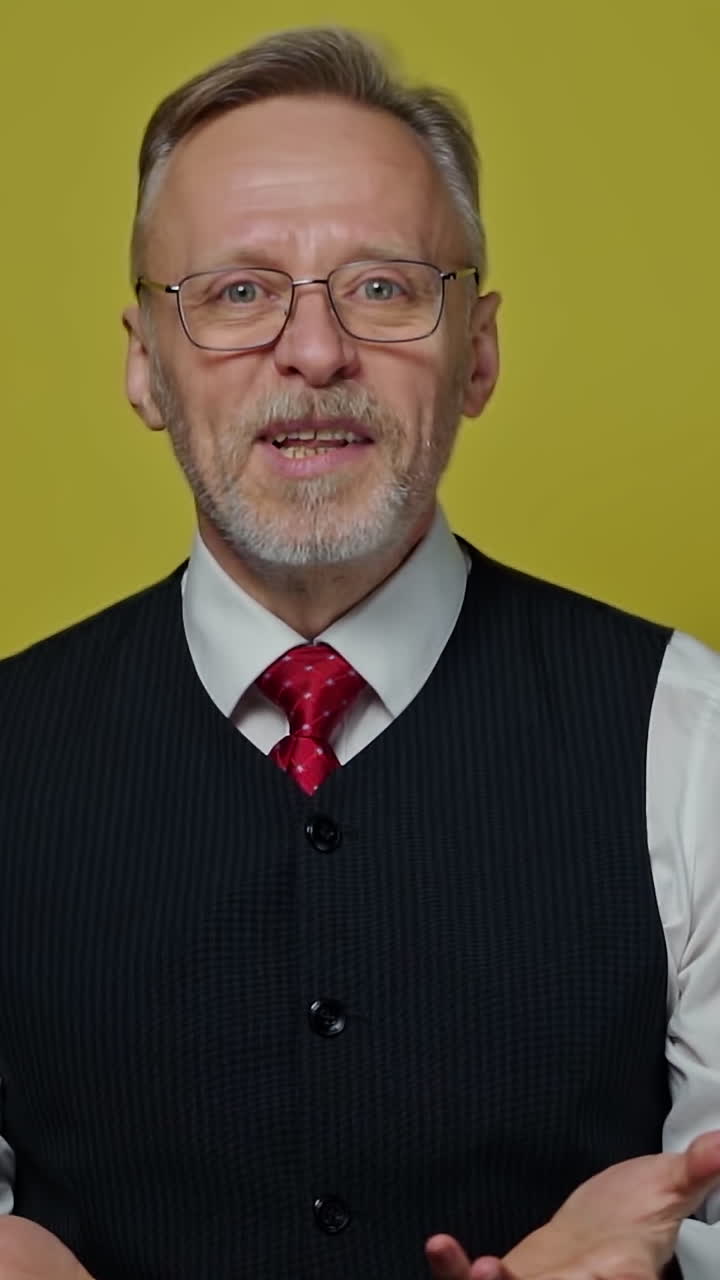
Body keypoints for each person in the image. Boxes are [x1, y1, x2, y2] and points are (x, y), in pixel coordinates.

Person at [0, 24, 718, 1280]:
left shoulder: (692, 738)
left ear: (478, 351)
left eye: (384, 287)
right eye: (236, 292)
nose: (317, 352)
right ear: (145, 365)